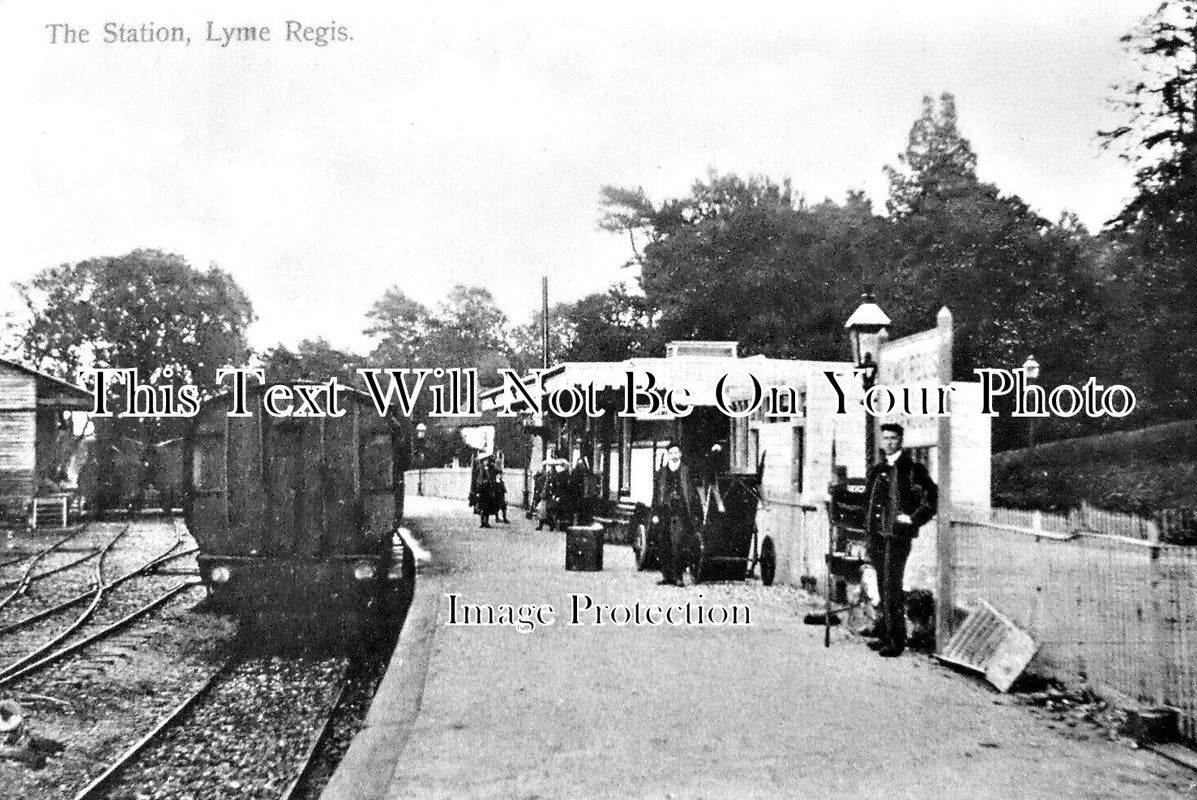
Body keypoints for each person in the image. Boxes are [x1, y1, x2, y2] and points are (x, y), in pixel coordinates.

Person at [863, 423, 938, 657]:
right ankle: (886, 634)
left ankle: (897, 641)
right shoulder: (877, 470)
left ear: (900, 441)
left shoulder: (912, 469)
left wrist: (913, 519)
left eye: (894, 438)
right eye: (885, 438)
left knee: (892, 586)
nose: (889, 443)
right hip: (877, 536)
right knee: (883, 585)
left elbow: (932, 497)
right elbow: (869, 501)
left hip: (897, 537)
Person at [653, 443, 699, 586]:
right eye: (671, 453)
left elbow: (693, 494)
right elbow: (655, 495)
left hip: (681, 512)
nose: (674, 455)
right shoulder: (661, 473)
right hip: (664, 512)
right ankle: (667, 576)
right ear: (668, 455)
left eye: (676, 452)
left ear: (680, 454)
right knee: (664, 544)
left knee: (678, 544)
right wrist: (655, 513)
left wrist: (696, 512)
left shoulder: (686, 472)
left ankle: (678, 576)